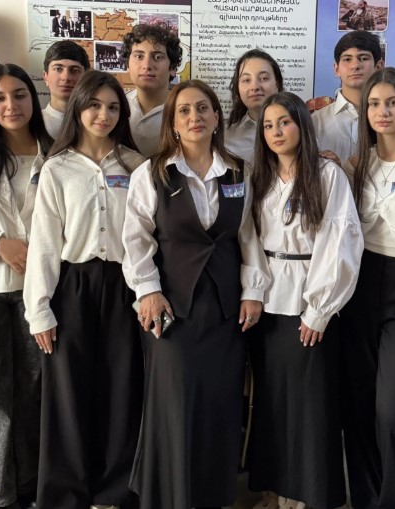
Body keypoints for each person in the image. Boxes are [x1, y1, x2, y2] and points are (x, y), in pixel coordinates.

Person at [122, 79, 269, 509]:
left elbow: (249, 237)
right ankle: (171, 495)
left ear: (217, 117)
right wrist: (148, 292)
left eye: (203, 108)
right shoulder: (151, 174)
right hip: (173, 310)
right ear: (173, 122)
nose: (194, 117)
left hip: (225, 312)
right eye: (184, 110)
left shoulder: (239, 172)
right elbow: (135, 241)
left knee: (220, 404)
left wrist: (253, 291)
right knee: (176, 404)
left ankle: (211, 495)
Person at [23, 70, 145, 509]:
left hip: (125, 287)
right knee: (68, 392)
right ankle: (65, 492)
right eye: (94, 105)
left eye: (112, 107)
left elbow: (145, 236)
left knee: (122, 387)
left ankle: (114, 489)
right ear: (78, 108)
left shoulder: (136, 165)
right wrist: (39, 309)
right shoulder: (57, 168)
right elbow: (44, 243)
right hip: (72, 285)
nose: (103, 115)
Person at [248, 92, 363, 509]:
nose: (276, 132)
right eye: (268, 125)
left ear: (302, 124)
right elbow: (249, 239)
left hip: (309, 305)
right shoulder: (259, 177)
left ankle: (307, 494)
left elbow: (340, 244)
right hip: (267, 304)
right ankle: (272, 489)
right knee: (271, 402)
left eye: (285, 122)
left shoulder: (327, 175)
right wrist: (253, 291)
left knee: (310, 405)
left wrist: (319, 310)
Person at [341, 68, 395, 509]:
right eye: (374, 104)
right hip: (359, 291)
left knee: (392, 410)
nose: (382, 111)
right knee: (358, 405)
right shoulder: (358, 165)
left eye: (391, 102)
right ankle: (366, 498)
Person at [0, 63, 53, 509]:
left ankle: (29, 485)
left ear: (34, 98)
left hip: (40, 291)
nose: (10, 105)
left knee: (34, 389)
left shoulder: (56, 153)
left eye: (19, 95)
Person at [311, 31, 383, 162]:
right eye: (347, 59)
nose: (355, 66)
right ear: (336, 69)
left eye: (363, 58)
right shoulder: (316, 122)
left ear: (379, 67)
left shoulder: (389, 117)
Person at [120, 22, 182, 156]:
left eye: (157, 57)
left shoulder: (185, 109)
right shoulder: (116, 106)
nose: (147, 65)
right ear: (127, 65)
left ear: (172, 68)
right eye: (139, 56)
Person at [225, 49, 283, 164]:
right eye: (246, 80)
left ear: (277, 84)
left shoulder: (299, 130)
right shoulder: (225, 137)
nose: (255, 87)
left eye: (264, 78)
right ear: (237, 87)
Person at [42, 39, 90, 138]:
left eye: (75, 70)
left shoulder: (97, 123)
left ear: (86, 77)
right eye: (58, 69)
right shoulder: (33, 124)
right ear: (45, 77)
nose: (66, 77)